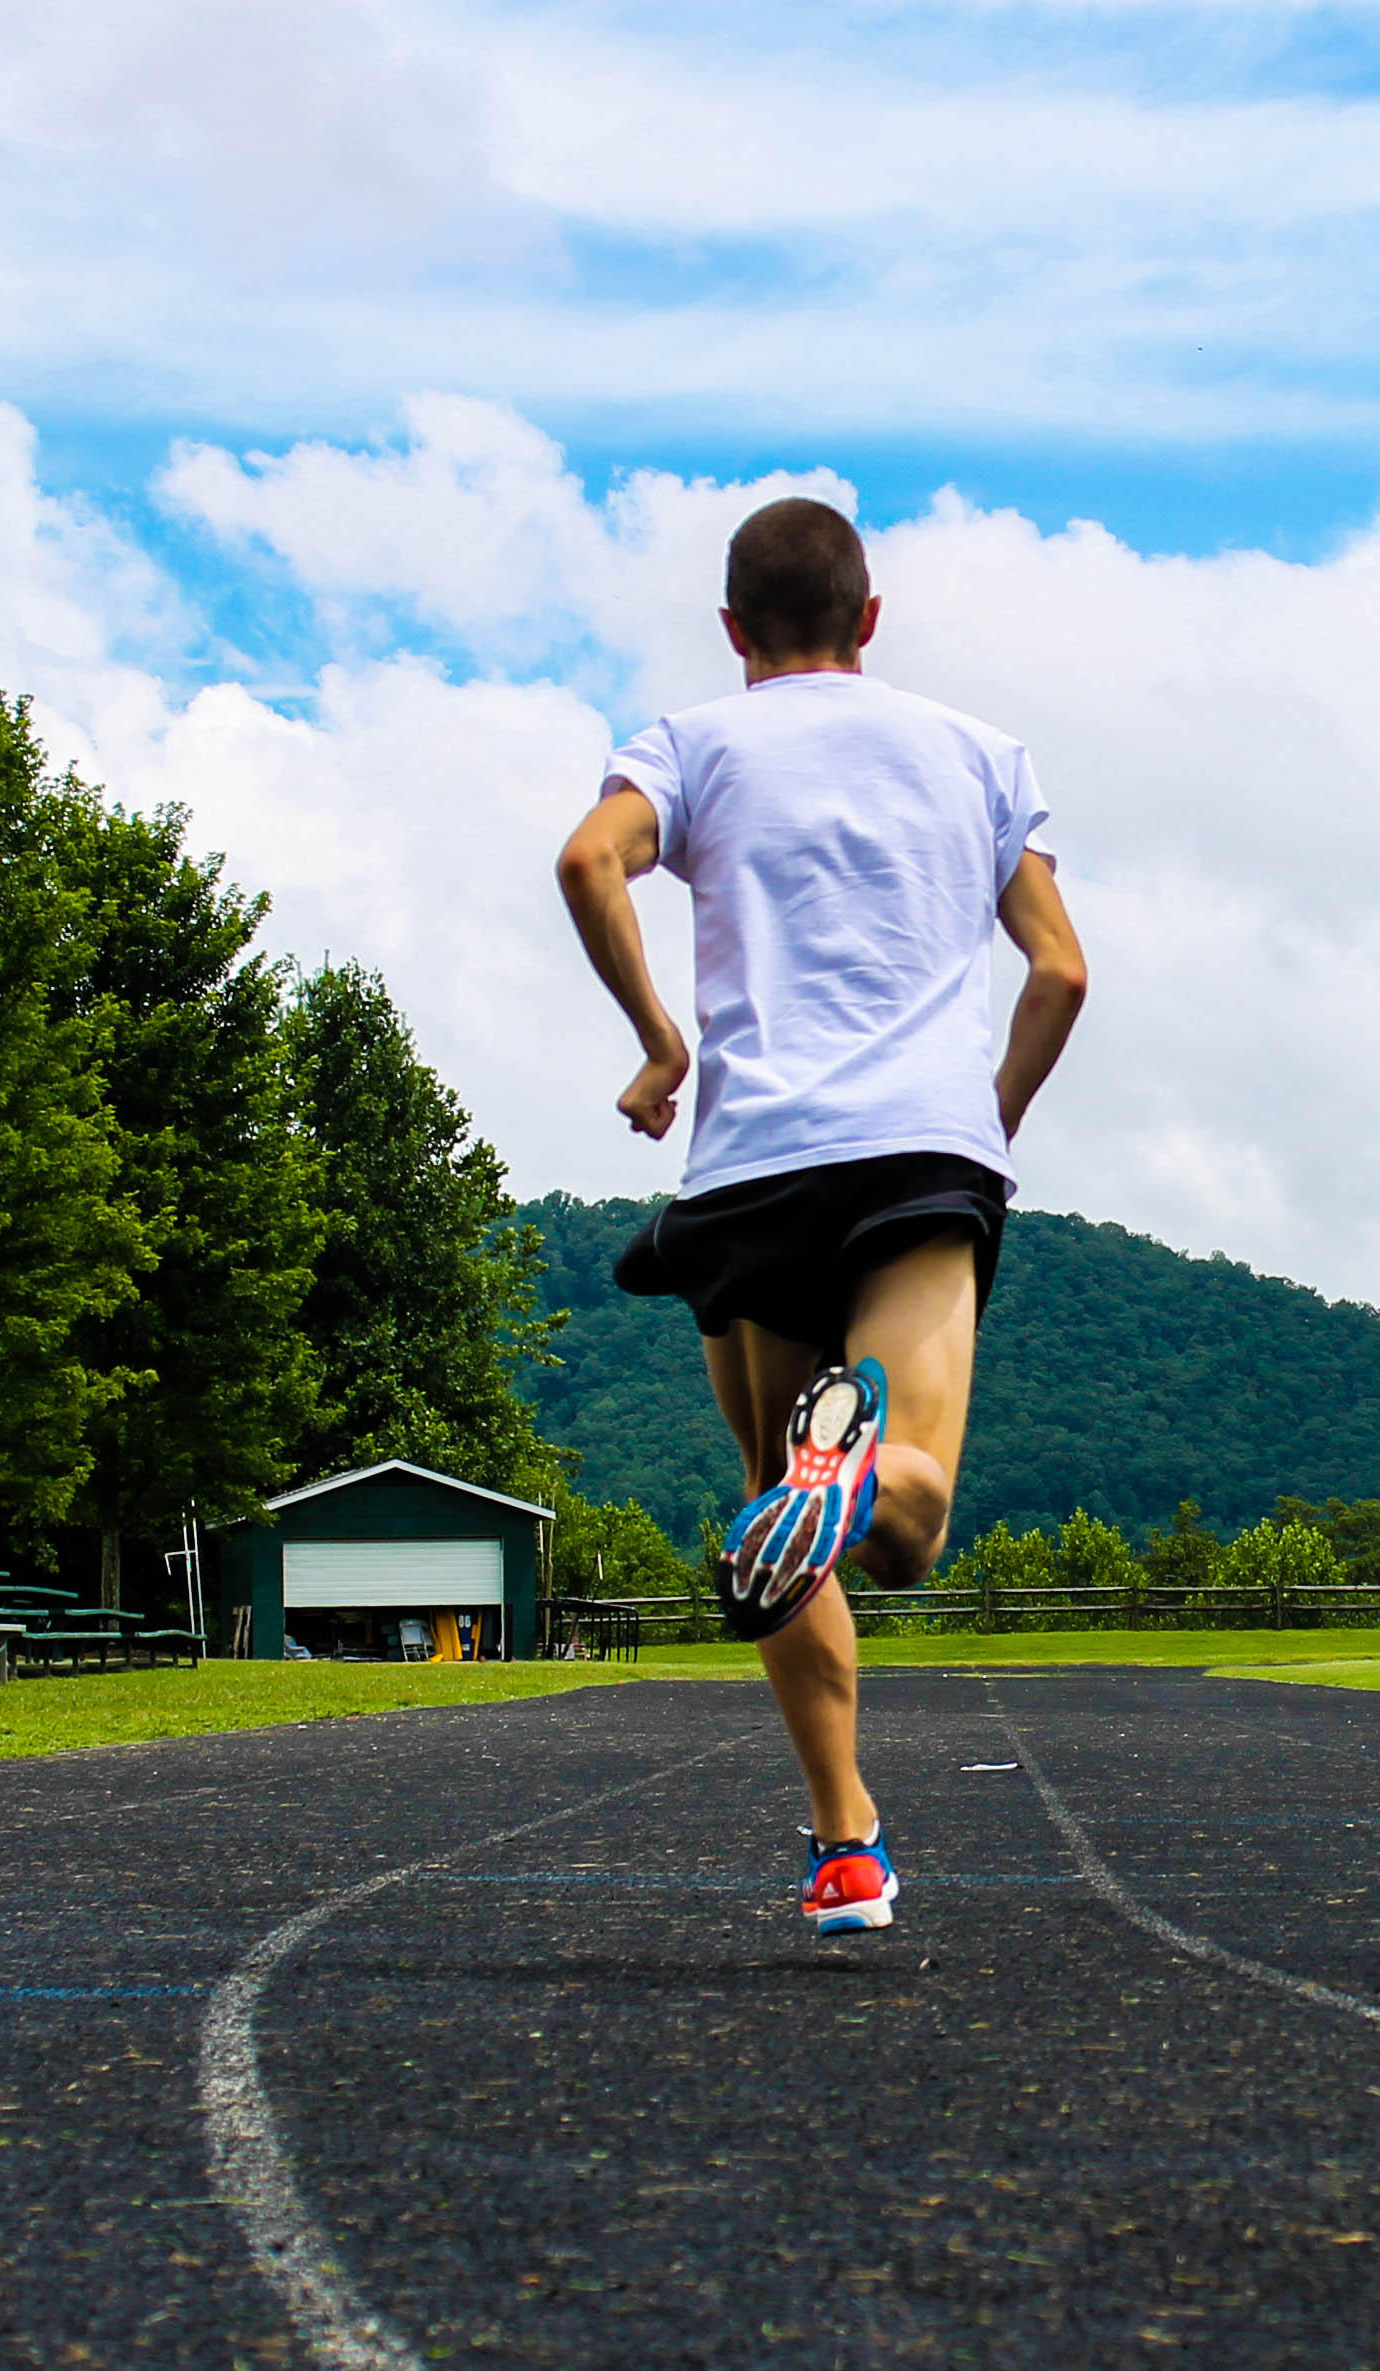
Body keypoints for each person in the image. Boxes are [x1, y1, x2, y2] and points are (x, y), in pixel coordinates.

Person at [554, 497, 1087, 1935]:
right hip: (915, 1157)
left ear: (733, 632)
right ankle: (848, 1480)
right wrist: (986, 1123)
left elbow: (586, 862)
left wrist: (664, 1045)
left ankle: (846, 1838)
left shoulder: (691, 743)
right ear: (870, 617)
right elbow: (1061, 975)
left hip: (748, 1177)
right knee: (901, 1525)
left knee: (773, 1519)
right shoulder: (980, 757)